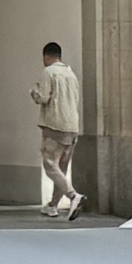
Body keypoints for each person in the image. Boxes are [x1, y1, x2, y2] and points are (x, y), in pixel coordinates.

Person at [30, 40, 82, 220]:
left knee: (50, 165)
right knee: (61, 167)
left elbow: (43, 97)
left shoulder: (49, 72)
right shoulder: (70, 73)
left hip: (55, 125)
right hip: (72, 126)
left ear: (46, 56)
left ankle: (73, 196)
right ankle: (52, 205)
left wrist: (34, 91)